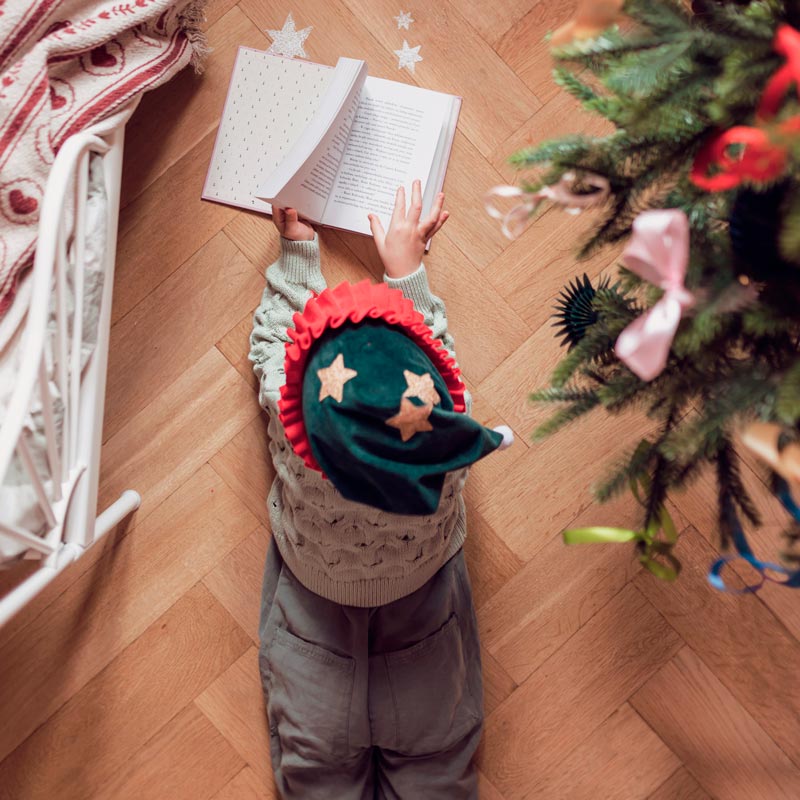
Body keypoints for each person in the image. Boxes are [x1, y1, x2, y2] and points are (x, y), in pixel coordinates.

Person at [249, 180, 513, 799]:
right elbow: (439, 353)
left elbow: (271, 344)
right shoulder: (444, 446)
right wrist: (408, 273)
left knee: (317, 773)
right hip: (423, 603)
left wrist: (297, 255)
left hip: (314, 605)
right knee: (436, 767)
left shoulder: (295, 433)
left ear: (297, 408)